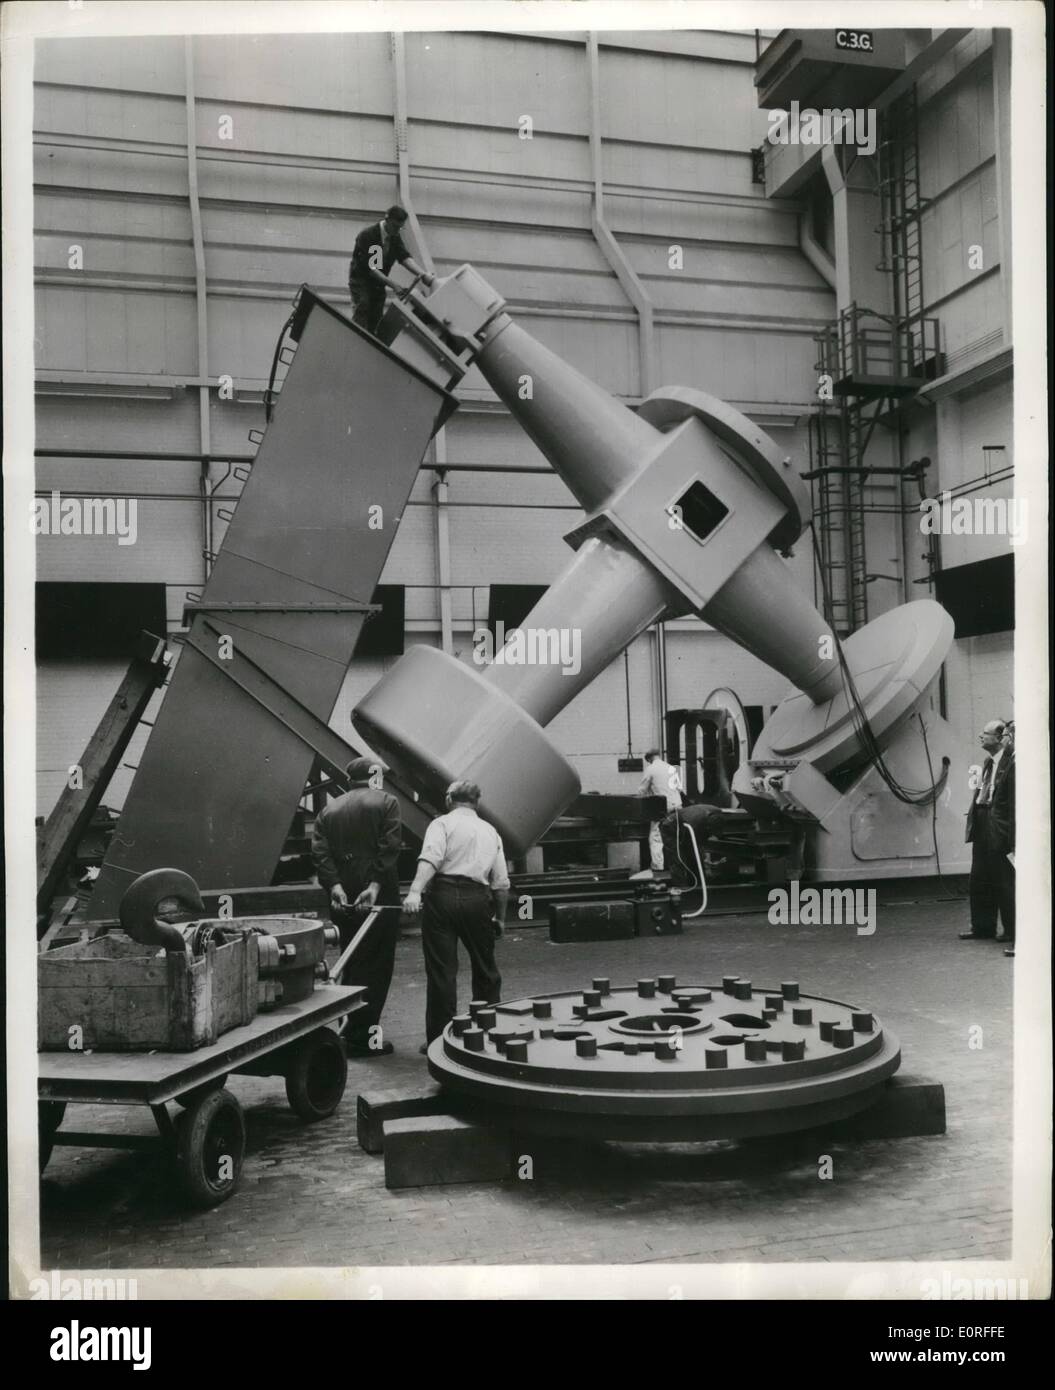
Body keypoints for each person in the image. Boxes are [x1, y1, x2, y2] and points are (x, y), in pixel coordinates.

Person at [402, 780, 510, 1050]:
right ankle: (486, 1034)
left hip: (443, 897)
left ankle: (440, 1042)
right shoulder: (490, 831)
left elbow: (431, 858)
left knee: (442, 971)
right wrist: (501, 918)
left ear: (449, 798)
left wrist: (415, 891)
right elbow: (501, 883)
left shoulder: (441, 824)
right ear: (477, 801)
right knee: (486, 970)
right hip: (478, 900)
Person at [311, 757, 402, 1057]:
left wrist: (334, 885)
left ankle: (347, 1028)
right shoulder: (387, 802)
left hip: (342, 892)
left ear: (350, 781)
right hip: (377, 892)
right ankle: (364, 1039)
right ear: (375, 777)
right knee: (377, 962)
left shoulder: (329, 810)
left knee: (350, 957)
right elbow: (389, 847)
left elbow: (320, 853)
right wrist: (375, 886)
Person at [960, 718, 1015, 947]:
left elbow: (1012, 803)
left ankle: (1012, 932)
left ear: (1000, 738)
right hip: (983, 825)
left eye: (986, 733)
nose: (981, 736)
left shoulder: (1011, 764)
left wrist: (1011, 837)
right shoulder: (988, 762)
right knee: (980, 878)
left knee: (1003, 881)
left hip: (998, 827)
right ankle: (983, 926)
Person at [348, 205, 434, 335]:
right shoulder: (370, 235)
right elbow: (373, 269)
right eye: (395, 226)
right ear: (387, 220)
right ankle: (355, 340)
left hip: (378, 283)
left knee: (376, 317)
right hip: (362, 281)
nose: (398, 230)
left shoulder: (394, 236)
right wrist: (394, 285)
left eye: (400, 227)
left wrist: (422, 274)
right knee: (363, 306)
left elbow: (404, 258)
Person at [638, 748, 684, 871]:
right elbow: (679, 788)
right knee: (676, 837)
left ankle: (657, 867)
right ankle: (679, 865)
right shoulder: (671, 768)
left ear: (649, 759)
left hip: (663, 809)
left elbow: (642, 791)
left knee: (655, 838)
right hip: (677, 807)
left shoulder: (650, 769)